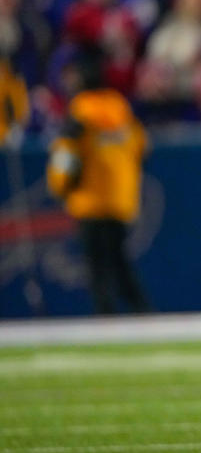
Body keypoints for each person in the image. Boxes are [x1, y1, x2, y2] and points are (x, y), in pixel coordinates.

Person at [46, 46, 151, 314]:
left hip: (90, 199)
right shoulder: (119, 106)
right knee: (119, 261)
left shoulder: (80, 109)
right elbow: (141, 146)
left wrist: (60, 183)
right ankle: (142, 313)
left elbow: (67, 149)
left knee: (97, 266)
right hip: (120, 199)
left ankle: (106, 316)